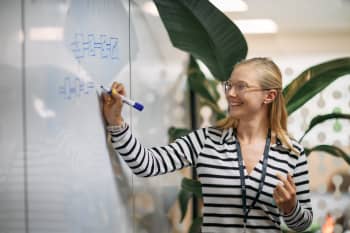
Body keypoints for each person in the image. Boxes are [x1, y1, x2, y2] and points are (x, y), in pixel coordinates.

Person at [102, 57, 313, 233]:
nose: (230, 94)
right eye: (229, 85)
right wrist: (116, 122)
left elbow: (302, 224)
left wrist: (290, 208)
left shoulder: (291, 152)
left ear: (269, 95)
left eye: (241, 87)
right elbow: (146, 164)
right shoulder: (205, 141)